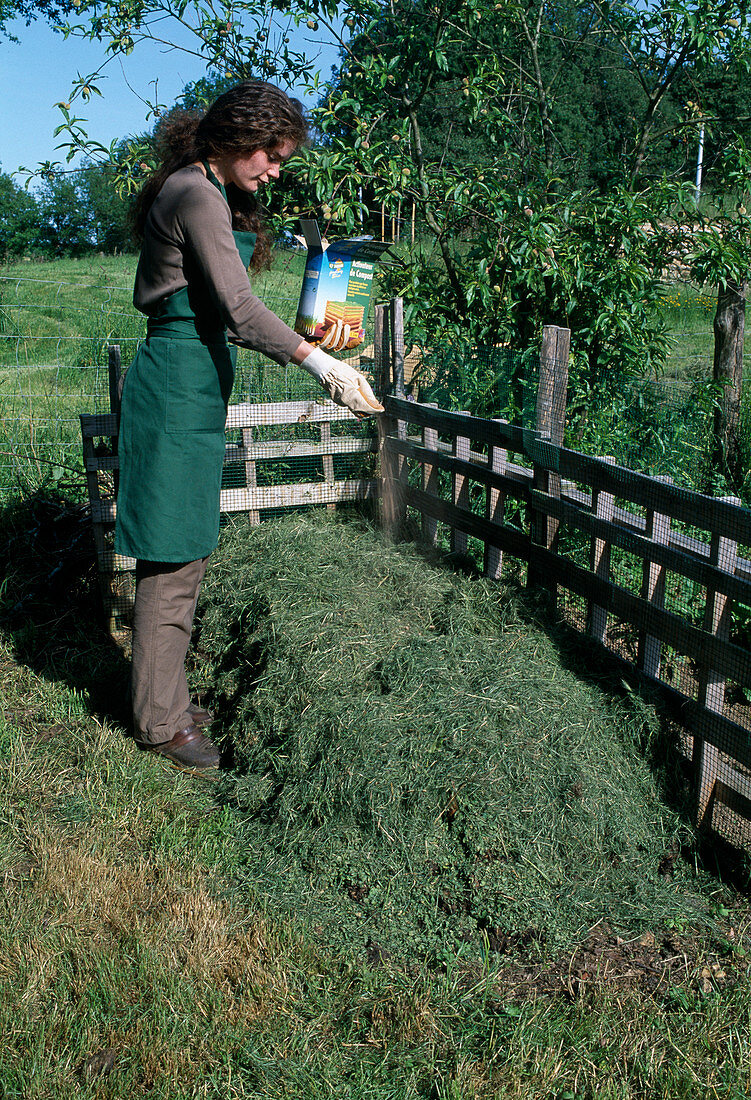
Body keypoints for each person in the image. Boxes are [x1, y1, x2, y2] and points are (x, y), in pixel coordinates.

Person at [115, 80, 383, 769]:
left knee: (187, 547)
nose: (273, 168)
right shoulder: (196, 193)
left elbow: (227, 305)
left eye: (281, 157)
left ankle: (165, 696)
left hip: (194, 375)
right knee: (171, 558)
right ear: (235, 137)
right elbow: (236, 309)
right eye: (270, 153)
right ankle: (159, 724)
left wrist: (318, 324)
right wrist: (320, 365)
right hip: (177, 381)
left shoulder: (205, 187)